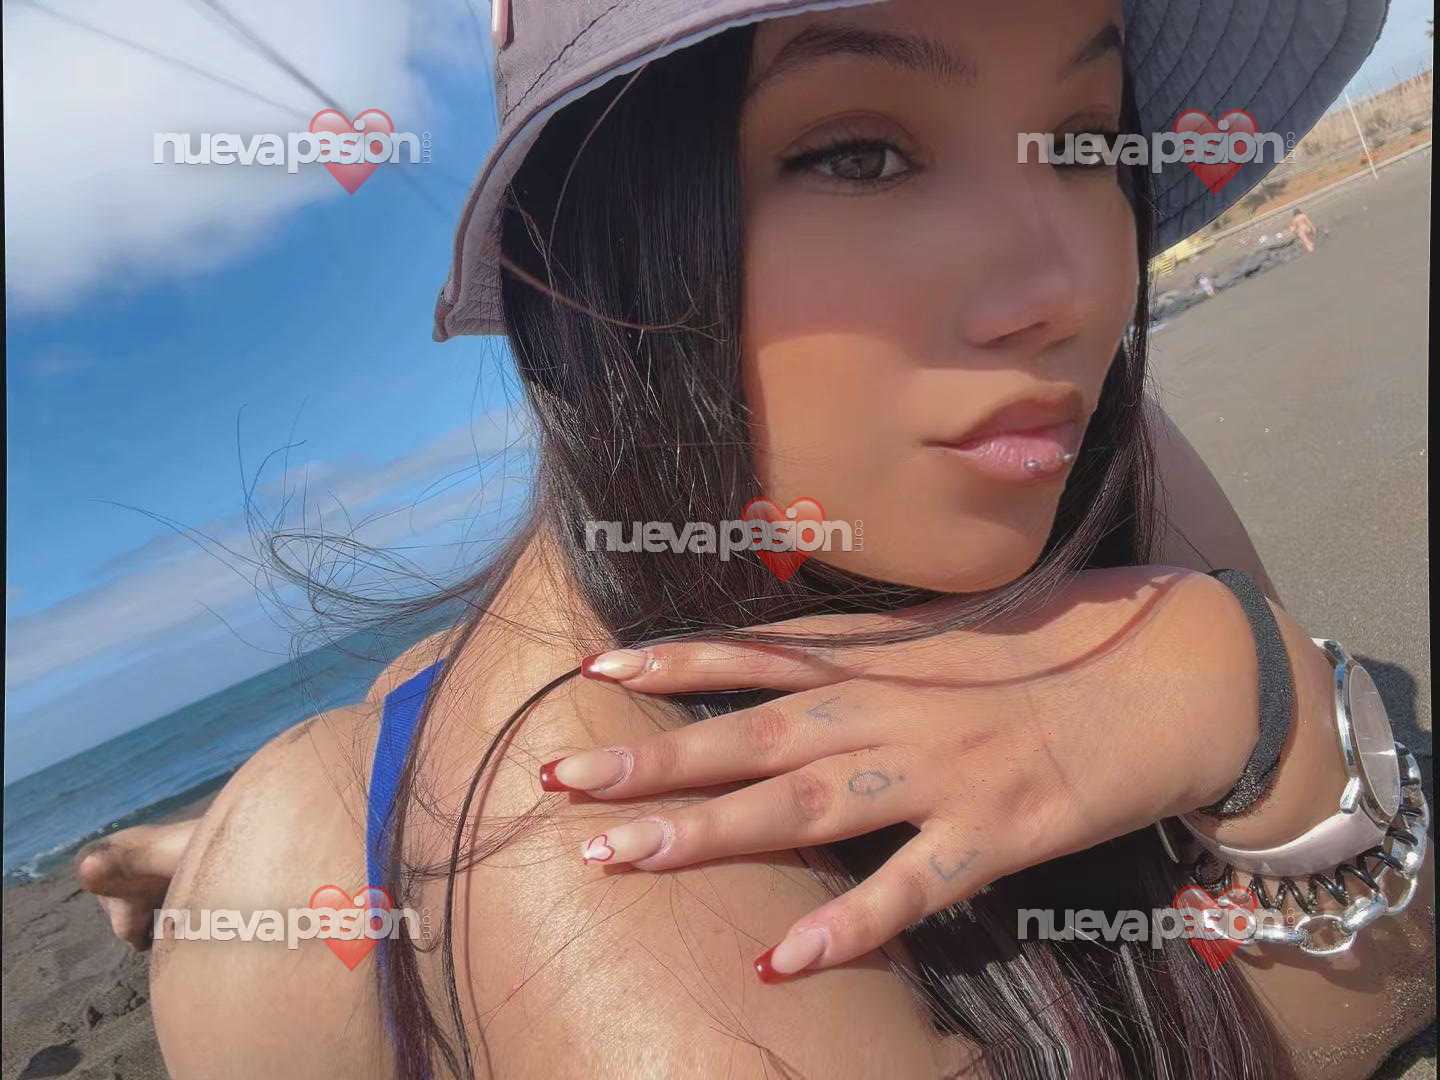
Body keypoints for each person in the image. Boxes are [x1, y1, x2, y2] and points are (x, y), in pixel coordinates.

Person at [81, 2, 1433, 1078]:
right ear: (596, 249)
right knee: (297, 831)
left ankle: (193, 839)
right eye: (860, 154)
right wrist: (1261, 704)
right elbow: (1359, 983)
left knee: (362, 741)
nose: (1070, 288)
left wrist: (1234, 685)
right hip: (353, 842)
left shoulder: (1053, 437)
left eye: (1082, 140)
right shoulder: (609, 879)